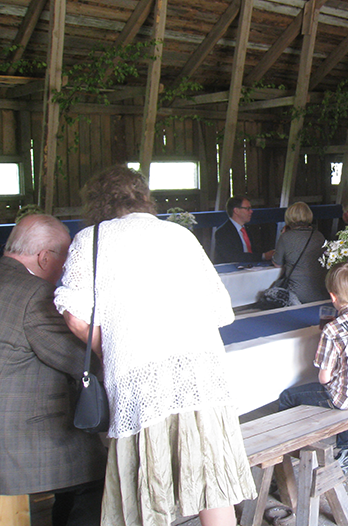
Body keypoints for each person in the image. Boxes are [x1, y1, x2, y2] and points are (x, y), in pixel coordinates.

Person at [54, 166, 255, 526]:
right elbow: (221, 311)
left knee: (145, 486)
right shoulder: (179, 235)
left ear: (97, 201)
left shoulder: (91, 240)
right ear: (144, 197)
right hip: (199, 374)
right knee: (213, 483)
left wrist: (107, 349)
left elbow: (74, 316)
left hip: (139, 377)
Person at [0, 215, 107, 526]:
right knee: (101, 475)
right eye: (66, 257)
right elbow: (80, 362)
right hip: (17, 440)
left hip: (10, 420)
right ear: (45, 257)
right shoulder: (34, 295)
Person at [278, 263, 348, 473]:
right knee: (345, 387)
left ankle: (292, 454)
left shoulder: (332, 329)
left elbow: (324, 378)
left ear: (333, 296)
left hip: (347, 399)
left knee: (288, 397)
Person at [272, 202, 328, 303]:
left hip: (297, 295)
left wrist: (283, 234)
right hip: (321, 293)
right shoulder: (319, 236)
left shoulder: (285, 237)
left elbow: (277, 264)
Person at [214, 195, 271, 264]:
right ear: (236, 211)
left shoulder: (247, 229)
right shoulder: (223, 232)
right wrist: (263, 256)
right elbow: (232, 257)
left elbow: (253, 251)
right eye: (247, 209)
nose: (251, 211)